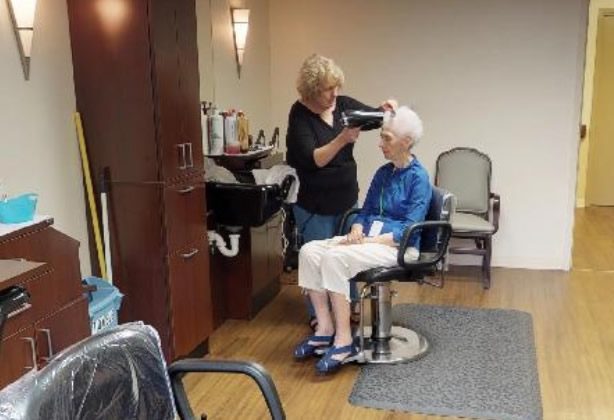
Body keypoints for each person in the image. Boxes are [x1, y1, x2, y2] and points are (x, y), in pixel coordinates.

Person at [292, 106, 432, 375]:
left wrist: (369, 241)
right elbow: (365, 211)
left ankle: (344, 342)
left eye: (387, 138)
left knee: (334, 257)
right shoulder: (383, 173)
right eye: (381, 137)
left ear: (407, 142)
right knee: (309, 251)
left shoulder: (418, 178)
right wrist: (357, 228)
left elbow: (409, 229)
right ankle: (324, 329)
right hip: (368, 241)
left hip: (399, 247)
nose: (380, 144)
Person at [285, 54, 397, 328]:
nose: (334, 94)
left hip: (346, 199)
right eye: (327, 89)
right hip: (314, 206)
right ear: (312, 90)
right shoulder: (299, 115)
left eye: (337, 86)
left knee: (346, 257)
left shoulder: (343, 106)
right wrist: (342, 139)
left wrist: (385, 110)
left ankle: (348, 308)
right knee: (319, 258)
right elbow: (315, 159)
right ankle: (319, 316)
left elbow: (373, 118)